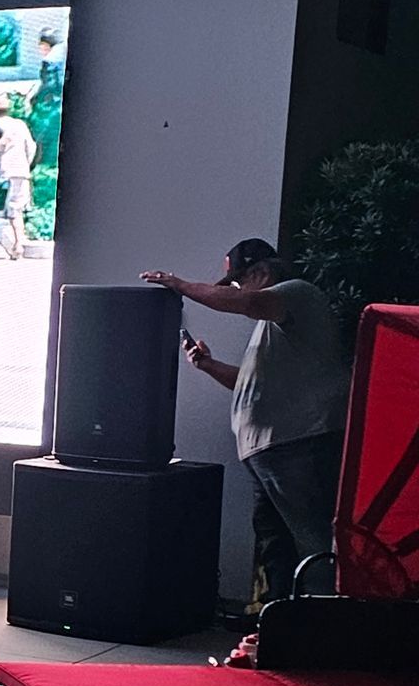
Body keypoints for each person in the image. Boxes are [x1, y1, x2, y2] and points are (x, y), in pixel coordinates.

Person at [141, 238, 351, 603]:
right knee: (276, 546)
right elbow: (251, 386)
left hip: (297, 446)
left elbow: (249, 303)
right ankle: (282, 627)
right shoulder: (274, 329)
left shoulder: (298, 295)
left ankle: (326, 629)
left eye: (239, 282)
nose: (236, 291)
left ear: (262, 272)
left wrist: (181, 285)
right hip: (272, 452)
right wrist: (207, 366)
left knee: (311, 540)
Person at [0, 94, 37, 259]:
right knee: (16, 210)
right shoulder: (20, 125)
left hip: (0, 174)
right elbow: (31, 147)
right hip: (20, 172)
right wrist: (25, 164)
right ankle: (18, 244)